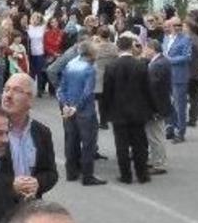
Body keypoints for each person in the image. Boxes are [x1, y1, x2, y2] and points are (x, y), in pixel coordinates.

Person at [103, 35, 154, 184]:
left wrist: (105, 113)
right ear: (131, 47)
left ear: (118, 48)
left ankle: (125, 175)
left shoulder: (111, 67)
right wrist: (152, 108)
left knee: (122, 146)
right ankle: (142, 174)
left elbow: (107, 92)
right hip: (138, 111)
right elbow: (147, 90)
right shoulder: (140, 65)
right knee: (139, 145)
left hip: (118, 112)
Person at [0, 73, 59, 201]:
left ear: (31, 100)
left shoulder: (42, 132)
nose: (8, 95)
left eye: (17, 91)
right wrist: (10, 185)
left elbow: (51, 173)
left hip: (30, 209)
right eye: (6, 89)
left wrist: (38, 183)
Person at [58, 40, 105, 186]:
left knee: (71, 141)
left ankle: (71, 173)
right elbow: (87, 91)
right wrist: (76, 107)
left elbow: (61, 88)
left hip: (68, 108)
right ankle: (87, 176)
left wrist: (65, 104)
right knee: (88, 143)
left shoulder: (70, 64)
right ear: (91, 53)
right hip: (85, 111)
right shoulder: (89, 69)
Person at [142, 39, 171, 176]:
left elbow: (152, 89)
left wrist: (153, 108)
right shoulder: (160, 62)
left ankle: (159, 163)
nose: (144, 51)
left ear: (152, 49)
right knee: (154, 134)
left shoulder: (157, 65)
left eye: (146, 49)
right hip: (160, 105)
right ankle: (155, 160)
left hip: (156, 107)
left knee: (155, 136)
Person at [162, 17, 192, 143]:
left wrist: (170, 60)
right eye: (174, 25)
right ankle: (170, 127)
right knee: (168, 103)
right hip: (166, 75)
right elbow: (163, 52)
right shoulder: (166, 38)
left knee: (180, 105)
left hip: (179, 76)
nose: (177, 27)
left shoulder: (185, 39)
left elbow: (187, 56)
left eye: (179, 25)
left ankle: (181, 132)